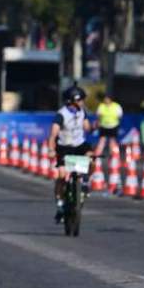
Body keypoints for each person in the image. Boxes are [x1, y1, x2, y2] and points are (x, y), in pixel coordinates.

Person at [47, 86, 94, 223]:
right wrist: (51, 149)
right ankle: (60, 205)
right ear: (73, 100)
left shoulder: (82, 112)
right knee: (61, 175)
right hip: (64, 146)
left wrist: (93, 127)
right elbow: (53, 134)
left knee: (92, 159)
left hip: (79, 145)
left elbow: (87, 128)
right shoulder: (61, 115)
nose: (83, 102)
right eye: (81, 100)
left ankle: (85, 182)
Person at [94, 93, 123, 168]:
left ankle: (113, 157)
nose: (105, 100)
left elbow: (120, 116)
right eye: (105, 99)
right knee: (102, 141)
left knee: (112, 142)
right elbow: (98, 116)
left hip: (113, 126)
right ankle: (96, 157)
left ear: (110, 99)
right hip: (103, 126)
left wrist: (116, 123)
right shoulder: (101, 106)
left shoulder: (116, 106)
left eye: (107, 98)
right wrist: (98, 123)